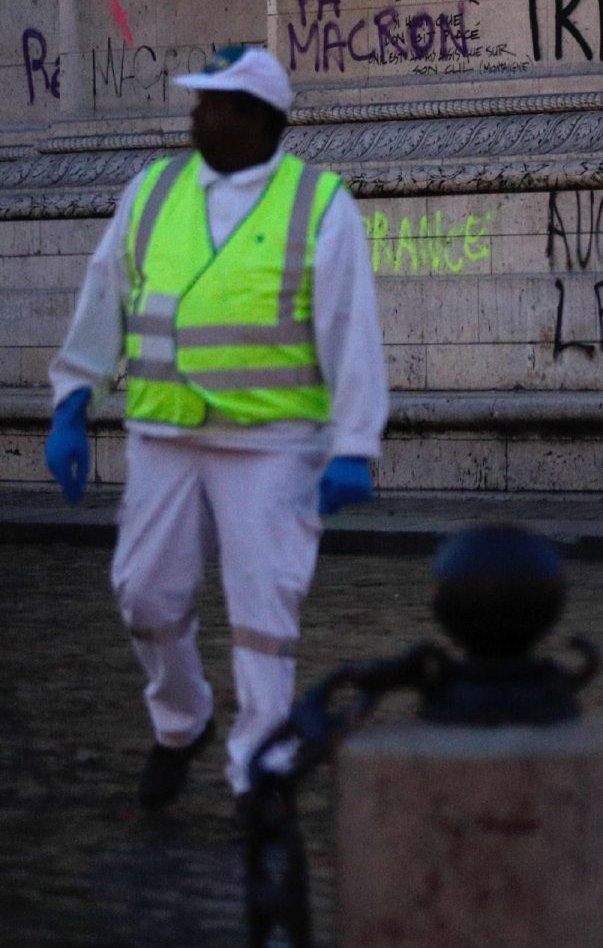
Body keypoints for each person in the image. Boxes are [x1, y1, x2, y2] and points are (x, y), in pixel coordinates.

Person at [43, 45, 389, 810]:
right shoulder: (154, 189)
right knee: (145, 597)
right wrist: (74, 398)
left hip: (272, 445)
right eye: (197, 99)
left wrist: (355, 446)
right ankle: (182, 719)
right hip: (164, 435)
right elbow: (106, 293)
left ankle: (256, 770)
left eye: (213, 102)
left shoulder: (318, 202)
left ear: (257, 118)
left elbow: (349, 328)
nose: (195, 113)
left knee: (264, 612)